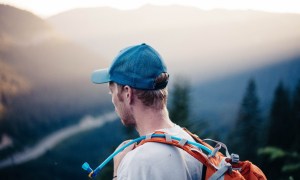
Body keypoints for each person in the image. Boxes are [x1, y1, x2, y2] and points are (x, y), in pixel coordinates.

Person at [91, 43, 203, 180]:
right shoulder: (188, 140)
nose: (113, 100)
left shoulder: (140, 163)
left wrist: (118, 172)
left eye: (111, 92)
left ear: (127, 93)